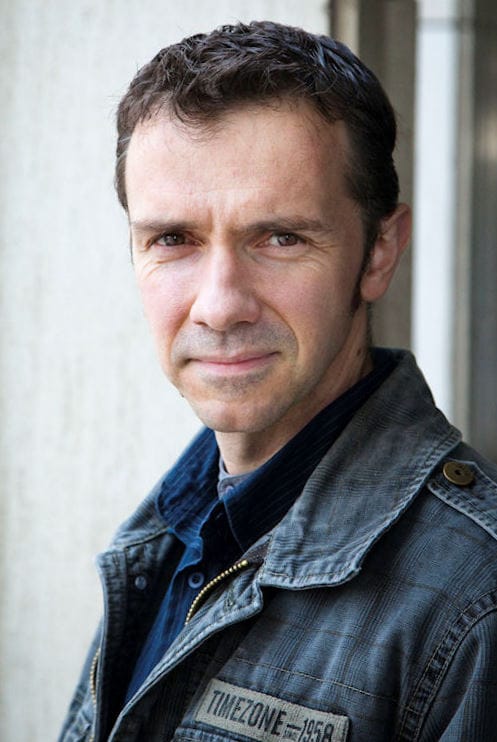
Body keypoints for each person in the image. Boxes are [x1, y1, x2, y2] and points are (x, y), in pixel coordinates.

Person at [60, 20, 497, 742]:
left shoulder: (477, 599)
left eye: (281, 237)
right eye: (173, 239)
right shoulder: (165, 537)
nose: (219, 305)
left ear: (379, 252)